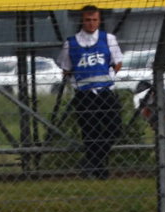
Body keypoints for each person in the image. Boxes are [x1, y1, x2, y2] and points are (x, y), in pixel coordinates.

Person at [58, 4, 124, 179]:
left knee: (114, 128)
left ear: (99, 20)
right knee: (89, 133)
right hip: (84, 94)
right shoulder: (70, 43)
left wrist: (109, 75)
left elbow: (117, 61)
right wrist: (75, 83)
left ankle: (92, 162)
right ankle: (99, 171)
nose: (91, 23)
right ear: (82, 20)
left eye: (94, 20)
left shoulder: (108, 39)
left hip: (105, 90)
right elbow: (66, 68)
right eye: (88, 20)